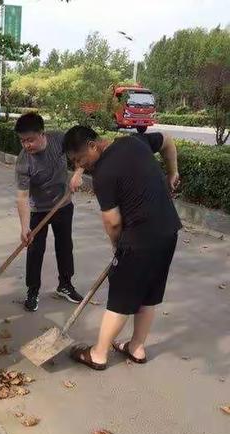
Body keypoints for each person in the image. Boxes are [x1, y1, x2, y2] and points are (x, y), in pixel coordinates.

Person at [63, 126, 181, 370]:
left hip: (139, 238)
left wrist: (118, 248)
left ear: (93, 145)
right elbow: (168, 141)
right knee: (149, 293)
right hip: (168, 230)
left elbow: (113, 222)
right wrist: (173, 173)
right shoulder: (135, 141)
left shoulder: (103, 174)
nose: (80, 165)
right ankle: (136, 347)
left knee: (121, 297)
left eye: (79, 159)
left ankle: (98, 354)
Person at [14, 112, 84, 312]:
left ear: (42, 134)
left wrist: (78, 172)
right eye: (22, 141)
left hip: (63, 204)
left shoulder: (60, 140)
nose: (26, 145)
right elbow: (22, 196)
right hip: (38, 210)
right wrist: (25, 227)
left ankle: (65, 285)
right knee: (35, 251)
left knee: (65, 246)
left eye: (30, 140)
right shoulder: (23, 162)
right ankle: (33, 290)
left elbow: (81, 153)